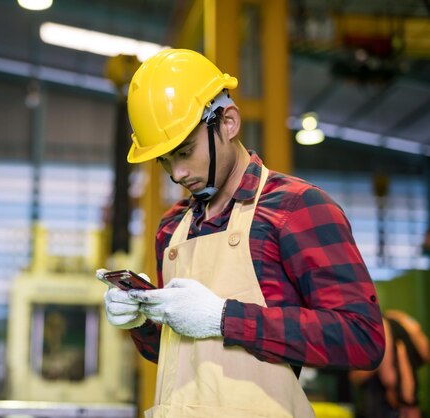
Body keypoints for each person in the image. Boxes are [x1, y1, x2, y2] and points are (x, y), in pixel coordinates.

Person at [100, 49, 385, 418]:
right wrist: (142, 321)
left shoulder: (298, 210)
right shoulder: (172, 230)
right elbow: (177, 358)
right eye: (165, 160)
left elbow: (362, 338)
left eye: (185, 152)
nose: (177, 174)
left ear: (228, 122)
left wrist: (222, 318)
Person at [350, 310, 429, 418]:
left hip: (387, 404)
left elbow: (388, 377)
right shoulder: (400, 325)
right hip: (399, 401)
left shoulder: (385, 326)